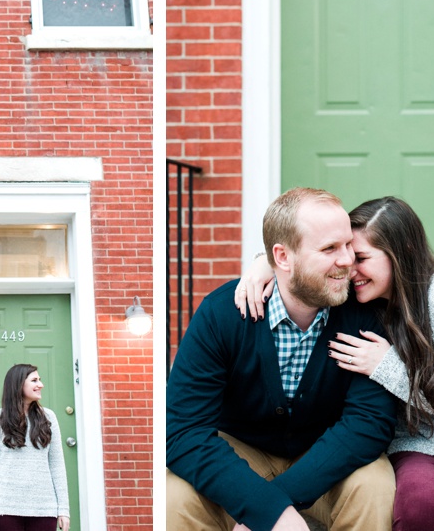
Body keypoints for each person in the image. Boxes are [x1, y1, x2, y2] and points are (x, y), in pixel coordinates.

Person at [236, 196, 434, 530]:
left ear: (401, 252)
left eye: (362, 258)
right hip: (419, 444)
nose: (348, 268)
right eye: (349, 256)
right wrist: (263, 264)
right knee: (418, 511)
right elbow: (306, 251)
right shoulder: (352, 300)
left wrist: (389, 369)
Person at [166, 187, 399, 531]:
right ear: (283, 257)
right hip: (241, 451)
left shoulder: (364, 313)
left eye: (348, 244)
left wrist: (273, 505)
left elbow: (369, 423)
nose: (348, 260)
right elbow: (183, 431)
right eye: (330, 248)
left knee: (375, 485)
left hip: (326, 451)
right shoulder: (221, 315)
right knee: (174, 497)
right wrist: (268, 510)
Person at [0, 364, 70, 531]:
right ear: (19, 384)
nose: (40, 385)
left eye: (40, 380)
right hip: (6, 509)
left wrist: (63, 509)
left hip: (44, 509)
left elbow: (57, 465)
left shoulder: (48, 418)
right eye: (34, 380)